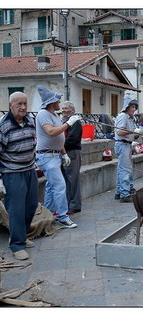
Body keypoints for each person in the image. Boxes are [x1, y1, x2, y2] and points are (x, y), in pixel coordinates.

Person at [0, 92, 39, 260]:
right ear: (10, 105)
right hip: (12, 172)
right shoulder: (4, 125)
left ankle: (21, 236)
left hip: (30, 169)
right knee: (16, 209)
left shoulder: (30, 120)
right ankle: (16, 245)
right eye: (18, 104)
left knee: (31, 206)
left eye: (25, 103)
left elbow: (33, 142)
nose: (23, 107)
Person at [35, 85, 81, 228]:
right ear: (51, 102)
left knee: (51, 187)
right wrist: (68, 123)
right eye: (57, 101)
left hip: (54, 155)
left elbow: (58, 138)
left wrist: (64, 154)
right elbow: (51, 132)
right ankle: (62, 216)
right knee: (60, 186)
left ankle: (48, 215)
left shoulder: (54, 115)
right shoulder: (43, 114)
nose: (59, 103)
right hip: (47, 156)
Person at [114, 96, 138, 203]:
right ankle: (124, 194)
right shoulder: (123, 116)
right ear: (127, 107)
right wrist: (132, 131)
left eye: (135, 107)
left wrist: (136, 134)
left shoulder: (130, 118)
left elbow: (129, 132)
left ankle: (119, 191)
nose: (134, 109)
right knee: (125, 170)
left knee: (122, 169)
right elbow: (120, 132)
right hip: (122, 144)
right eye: (132, 107)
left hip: (126, 144)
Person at [61, 101, 82, 214]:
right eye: (63, 108)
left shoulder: (75, 121)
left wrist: (59, 145)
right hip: (65, 152)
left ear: (72, 110)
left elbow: (72, 139)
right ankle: (69, 203)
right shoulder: (64, 121)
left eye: (66, 108)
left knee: (73, 180)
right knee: (67, 180)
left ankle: (74, 205)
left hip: (72, 153)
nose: (63, 110)